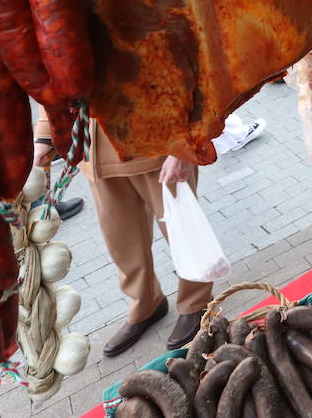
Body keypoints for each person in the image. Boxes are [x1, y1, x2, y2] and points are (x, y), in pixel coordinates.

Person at [34, 117, 213, 355]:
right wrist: (45, 136)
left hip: (159, 142)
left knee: (183, 233)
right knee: (121, 242)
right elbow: (49, 84)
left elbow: (188, 80)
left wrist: (185, 144)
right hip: (95, 151)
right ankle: (145, 303)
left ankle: (197, 303)